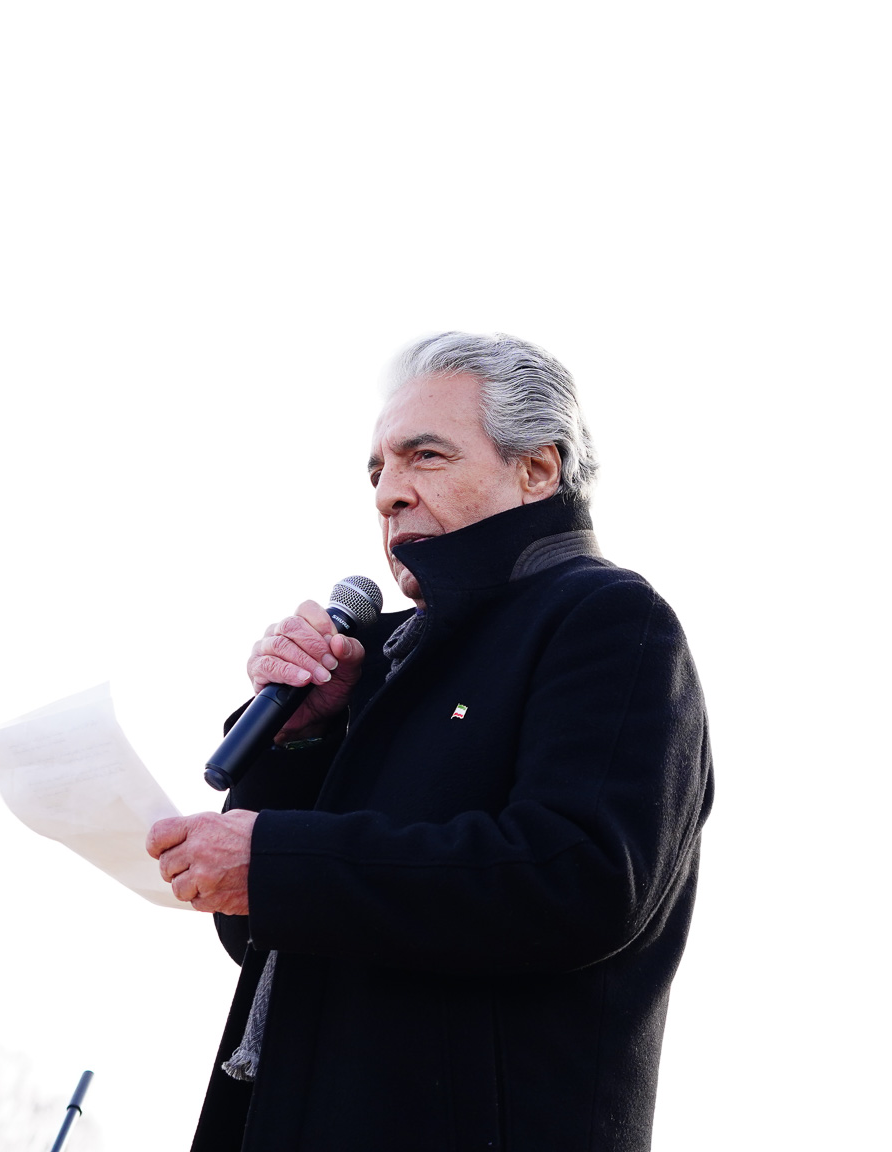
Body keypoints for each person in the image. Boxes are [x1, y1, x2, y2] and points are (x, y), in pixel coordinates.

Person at [146, 332, 713, 1152]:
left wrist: (276, 859)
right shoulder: (380, 662)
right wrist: (301, 745)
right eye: (377, 470)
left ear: (539, 469)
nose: (388, 494)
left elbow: (581, 878)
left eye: (425, 457)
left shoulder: (607, 620)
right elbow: (260, 939)